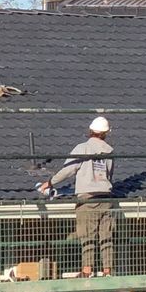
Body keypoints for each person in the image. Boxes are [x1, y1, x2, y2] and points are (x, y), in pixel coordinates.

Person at [39, 116, 117, 277]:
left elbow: (69, 169)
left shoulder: (83, 148)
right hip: (106, 196)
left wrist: (50, 182)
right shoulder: (109, 151)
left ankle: (87, 271)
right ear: (106, 133)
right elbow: (109, 174)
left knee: (87, 234)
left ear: (90, 131)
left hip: (87, 198)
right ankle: (108, 271)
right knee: (106, 234)